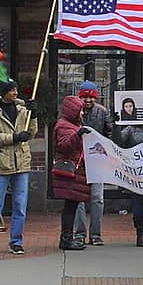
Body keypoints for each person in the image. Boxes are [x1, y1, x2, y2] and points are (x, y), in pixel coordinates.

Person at [0, 78, 38, 255]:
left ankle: (16, 241)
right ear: (4, 92)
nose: (15, 92)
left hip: (21, 164)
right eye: (12, 90)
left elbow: (31, 132)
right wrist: (14, 137)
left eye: (15, 89)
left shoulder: (22, 109)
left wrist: (34, 115)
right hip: (0, 165)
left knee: (20, 206)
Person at [73, 81, 112, 247]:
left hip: (97, 159)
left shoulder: (102, 112)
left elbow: (110, 133)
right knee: (78, 198)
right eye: (85, 97)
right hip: (78, 160)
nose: (88, 100)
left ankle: (96, 234)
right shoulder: (74, 112)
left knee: (97, 198)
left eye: (91, 97)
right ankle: (80, 233)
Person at [52, 96, 91, 251]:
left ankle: (67, 237)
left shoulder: (72, 125)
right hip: (70, 173)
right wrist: (78, 135)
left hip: (74, 172)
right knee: (70, 206)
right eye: (80, 110)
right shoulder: (64, 126)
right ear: (73, 111)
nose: (82, 113)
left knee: (72, 206)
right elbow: (63, 146)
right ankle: (66, 239)